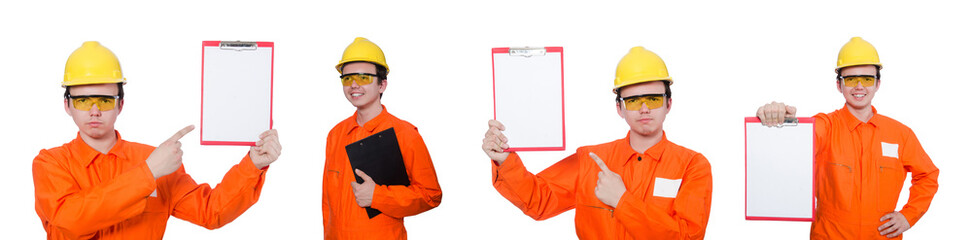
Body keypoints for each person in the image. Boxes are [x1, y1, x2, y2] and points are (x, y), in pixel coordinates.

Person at [32, 41, 282, 239]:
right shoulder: (51, 163)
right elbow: (70, 221)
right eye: (83, 100)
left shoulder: (154, 160)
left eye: (106, 100)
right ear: (67, 105)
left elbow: (211, 211)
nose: (95, 110)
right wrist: (148, 173)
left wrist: (253, 164)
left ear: (121, 105)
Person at [483, 47, 713, 239]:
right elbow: (538, 199)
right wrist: (504, 159)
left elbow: (688, 236)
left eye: (653, 99)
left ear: (669, 104)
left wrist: (621, 201)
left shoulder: (692, 166)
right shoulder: (590, 160)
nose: (644, 109)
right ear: (619, 108)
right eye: (633, 101)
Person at [756, 37, 939, 239]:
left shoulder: (900, 134)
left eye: (867, 79)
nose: (859, 86)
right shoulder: (825, 126)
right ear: (838, 85)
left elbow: (927, 175)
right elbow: (792, 143)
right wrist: (778, 117)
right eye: (851, 79)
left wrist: (908, 215)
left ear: (878, 83)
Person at [322, 37, 442, 239]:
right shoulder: (336, 134)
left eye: (363, 78)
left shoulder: (404, 134)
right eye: (347, 78)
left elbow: (431, 196)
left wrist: (378, 196)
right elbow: (328, 204)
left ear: (382, 85)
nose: (353, 85)